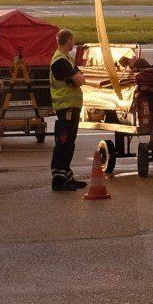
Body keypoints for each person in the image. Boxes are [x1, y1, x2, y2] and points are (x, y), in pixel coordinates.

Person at [47, 28, 85, 192]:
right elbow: (79, 80)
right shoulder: (60, 61)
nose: (74, 41)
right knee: (64, 142)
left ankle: (66, 175)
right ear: (68, 39)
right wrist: (78, 78)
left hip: (71, 107)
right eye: (73, 38)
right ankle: (59, 179)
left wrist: (78, 78)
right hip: (66, 107)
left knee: (68, 143)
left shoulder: (67, 59)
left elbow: (80, 77)